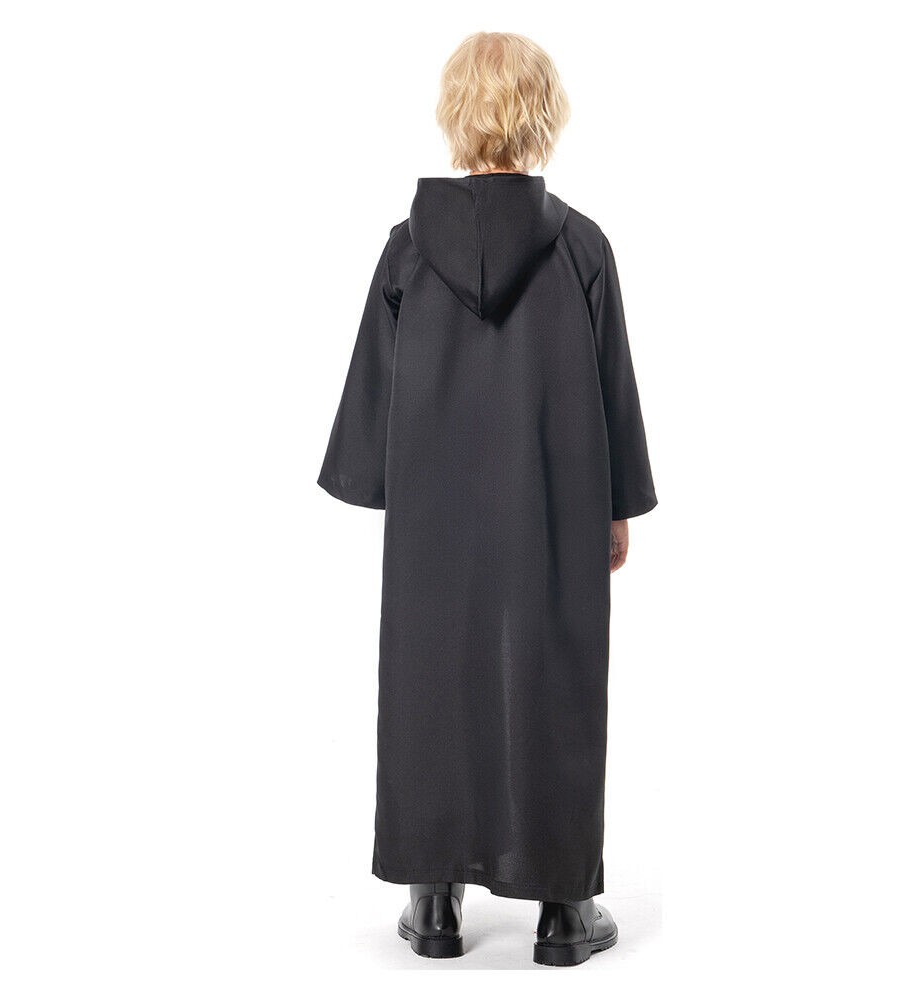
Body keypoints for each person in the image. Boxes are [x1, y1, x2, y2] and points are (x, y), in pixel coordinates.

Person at [317, 31, 657, 967]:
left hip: (434, 520)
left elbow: (372, 407)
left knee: (431, 675)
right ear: (544, 116)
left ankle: (432, 899)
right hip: (553, 510)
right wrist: (617, 504)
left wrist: (387, 489)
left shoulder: (404, 252)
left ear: (454, 117)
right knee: (555, 675)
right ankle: (563, 907)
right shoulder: (580, 247)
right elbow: (611, 386)